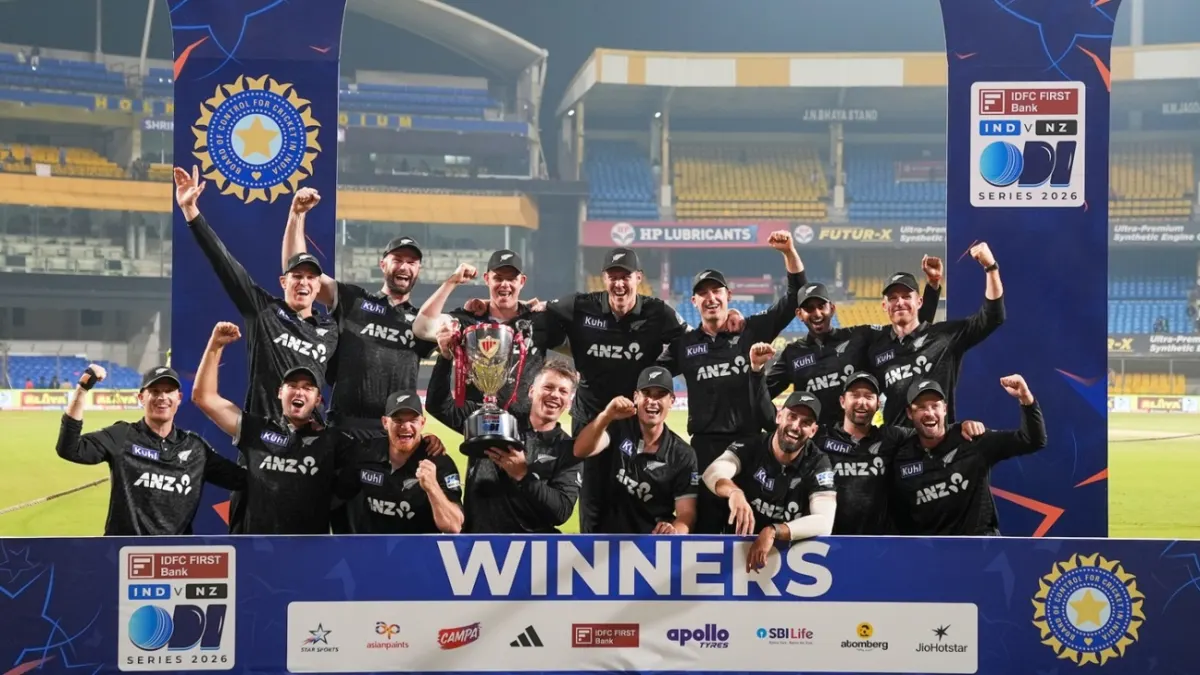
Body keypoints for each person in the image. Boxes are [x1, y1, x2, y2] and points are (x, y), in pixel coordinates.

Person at [538, 247, 738, 533]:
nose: (619, 283)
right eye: (613, 276)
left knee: (631, 490)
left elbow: (692, 343)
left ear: (638, 278)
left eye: (626, 277)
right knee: (593, 493)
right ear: (604, 278)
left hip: (634, 416)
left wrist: (729, 319)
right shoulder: (580, 305)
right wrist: (503, 305)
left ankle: (644, 546)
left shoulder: (658, 312)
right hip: (592, 415)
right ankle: (591, 551)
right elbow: (539, 310)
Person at [660, 230, 808, 534]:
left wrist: (789, 252)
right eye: (703, 293)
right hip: (704, 448)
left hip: (750, 446)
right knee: (706, 529)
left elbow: (796, 297)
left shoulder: (751, 330)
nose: (711, 298)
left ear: (729, 296)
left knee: (750, 529)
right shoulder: (684, 345)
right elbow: (653, 375)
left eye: (717, 291)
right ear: (693, 301)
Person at [174, 167, 338, 421]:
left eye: (310, 278)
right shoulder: (265, 311)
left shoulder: (332, 331)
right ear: (283, 281)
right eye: (296, 276)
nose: (303, 283)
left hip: (308, 438)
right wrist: (190, 211)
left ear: (319, 287)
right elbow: (223, 261)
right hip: (261, 433)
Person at [279, 187, 436, 437]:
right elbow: (298, 269)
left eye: (411, 262)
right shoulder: (352, 299)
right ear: (383, 264)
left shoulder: (422, 323)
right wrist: (297, 215)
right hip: (344, 429)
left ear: (419, 270)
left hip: (392, 436)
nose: (404, 267)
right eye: (397, 260)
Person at [190, 322, 351, 534]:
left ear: (318, 399)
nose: (299, 392)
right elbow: (204, 397)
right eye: (292, 386)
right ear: (280, 393)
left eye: (307, 388)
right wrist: (215, 345)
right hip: (256, 548)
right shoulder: (256, 430)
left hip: (308, 549)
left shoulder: (333, 442)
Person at [54, 363, 246, 535]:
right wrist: (82, 389)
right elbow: (70, 449)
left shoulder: (195, 448)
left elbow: (243, 480)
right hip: (124, 553)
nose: (162, 397)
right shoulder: (122, 436)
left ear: (179, 398)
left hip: (175, 556)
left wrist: (261, 447)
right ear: (141, 398)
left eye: (169, 391)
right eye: (154, 391)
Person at [766, 256, 942, 427]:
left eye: (821, 306)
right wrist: (777, 423)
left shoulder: (859, 337)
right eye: (809, 308)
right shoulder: (792, 353)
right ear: (799, 314)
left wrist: (933, 288)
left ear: (832, 308)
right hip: (812, 440)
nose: (817, 313)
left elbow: (912, 328)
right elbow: (762, 394)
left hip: (853, 438)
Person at [810, 370, 986, 534]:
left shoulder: (892, 437)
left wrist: (960, 427)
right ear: (843, 401)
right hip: (832, 541)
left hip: (881, 544)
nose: (862, 402)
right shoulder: (821, 437)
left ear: (878, 404)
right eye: (855, 395)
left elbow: (932, 431)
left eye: (869, 397)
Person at [426, 357, 582, 533]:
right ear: (531, 391)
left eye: (563, 391)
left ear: (569, 402)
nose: (555, 395)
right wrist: (445, 358)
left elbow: (561, 512)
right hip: (478, 541)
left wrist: (523, 475)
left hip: (530, 546)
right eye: (548, 387)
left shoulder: (569, 448)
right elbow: (440, 407)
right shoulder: (496, 419)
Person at [867, 242, 1005, 426]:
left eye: (906, 296)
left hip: (939, 440)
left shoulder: (945, 337)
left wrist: (991, 267)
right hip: (896, 443)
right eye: (893, 298)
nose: (899, 302)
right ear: (884, 306)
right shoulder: (876, 350)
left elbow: (993, 317)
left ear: (919, 302)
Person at [889, 375, 1047, 536]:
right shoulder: (902, 456)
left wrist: (1025, 398)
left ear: (945, 409)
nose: (929, 413)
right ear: (910, 413)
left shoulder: (972, 439)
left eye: (935, 406)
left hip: (982, 546)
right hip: (932, 549)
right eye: (921, 407)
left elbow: (1032, 441)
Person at [701, 390, 836, 573]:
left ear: (813, 431)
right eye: (792, 416)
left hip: (789, 557)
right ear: (779, 416)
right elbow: (712, 472)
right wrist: (734, 492)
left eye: (806, 423)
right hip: (736, 551)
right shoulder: (751, 446)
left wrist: (773, 531)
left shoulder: (818, 462)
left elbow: (824, 522)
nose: (796, 427)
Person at [413, 250, 546, 421]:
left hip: (527, 428)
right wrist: (452, 281)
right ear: (487, 279)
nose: (505, 284)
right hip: (477, 424)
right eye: (498, 278)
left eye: (512, 279)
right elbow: (422, 327)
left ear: (522, 281)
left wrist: (545, 306)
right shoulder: (469, 321)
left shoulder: (538, 321)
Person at [572, 366, 698, 535]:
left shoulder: (683, 455)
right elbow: (580, 450)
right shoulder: (618, 429)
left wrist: (674, 531)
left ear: (672, 400)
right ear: (636, 397)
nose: (652, 401)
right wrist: (606, 416)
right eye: (646, 393)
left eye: (660, 395)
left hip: (651, 544)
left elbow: (687, 514)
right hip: (608, 541)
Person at [336, 390, 464, 534]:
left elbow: (454, 526)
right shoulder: (366, 453)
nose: (406, 426)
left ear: (422, 423)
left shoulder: (439, 463)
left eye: (413, 420)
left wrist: (432, 488)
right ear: (385, 422)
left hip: (419, 548)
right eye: (398, 420)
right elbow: (338, 496)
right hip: (374, 546)